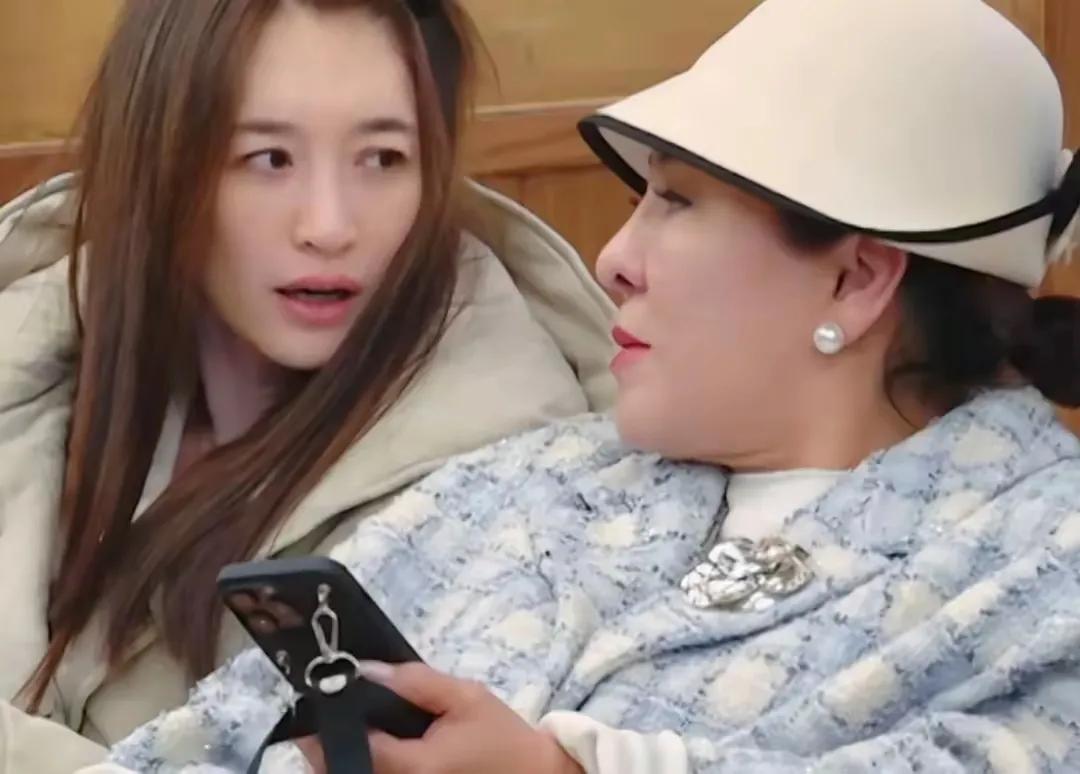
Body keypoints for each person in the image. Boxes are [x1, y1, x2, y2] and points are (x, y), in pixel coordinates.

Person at [93, 0, 1080, 772]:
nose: (614, 259)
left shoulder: (1041, 565)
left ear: (854, 280)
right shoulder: (519, 484)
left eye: (676, 201)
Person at [0, 0, 616, 771]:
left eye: (383, 158)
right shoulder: (41, 356)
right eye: (269, 159)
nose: (329, 225)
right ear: (158, 165)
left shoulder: (510, 487)